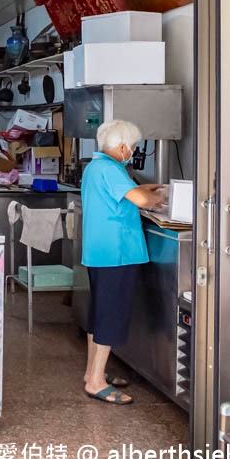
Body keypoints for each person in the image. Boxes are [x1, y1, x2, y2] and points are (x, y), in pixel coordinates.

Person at [81, 120, 165, 405]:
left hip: (99, 252)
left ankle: (93, 371)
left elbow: (129, 191)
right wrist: (157, 196)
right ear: (121, 147)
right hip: (116, 253)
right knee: (111, 315)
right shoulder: (110, 169)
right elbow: (141, 199)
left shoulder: (97, 167)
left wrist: (153, 188)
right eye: (132, 147)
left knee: (99, 315)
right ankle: (96, 381)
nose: (133, 151)